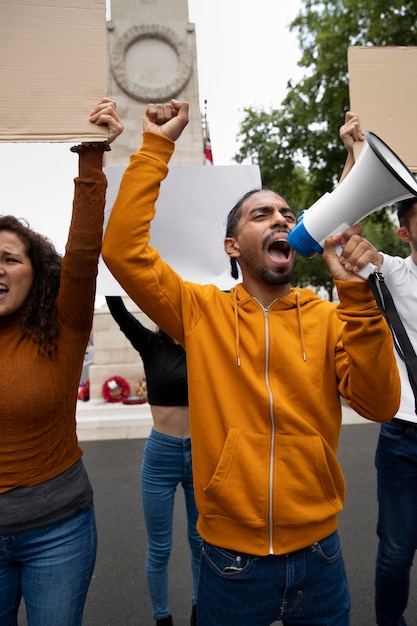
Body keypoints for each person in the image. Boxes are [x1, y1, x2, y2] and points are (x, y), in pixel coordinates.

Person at [102, 99, 401, 626]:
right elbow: (122, 251)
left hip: (321, 557)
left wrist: (358, 298)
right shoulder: (200, 311)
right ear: (232, 245)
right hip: (229, 561)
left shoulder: (330, 315)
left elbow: (379, 404)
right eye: (261, 214)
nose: (281, 219)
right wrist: (155, 147)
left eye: (287, 213)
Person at [0, 98, 123, 625]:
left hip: (59, 533)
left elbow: (83, 251)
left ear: (34, 272)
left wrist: (91, 156)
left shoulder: (64, 325)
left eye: (8, 258)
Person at [340, 111, 417, 626]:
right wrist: (354, 154)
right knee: (395, 554)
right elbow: (341, 231)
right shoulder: (387, 271)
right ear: (404, 230)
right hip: (404, 441)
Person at [105, 295, 201, 626]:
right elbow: (117, 310)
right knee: (159, 548)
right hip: (161, 456)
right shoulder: (150, 344)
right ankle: (162, 617)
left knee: (201, 542)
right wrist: (110, 271)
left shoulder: (205, 344)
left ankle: (198, 610)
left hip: (202, 454)